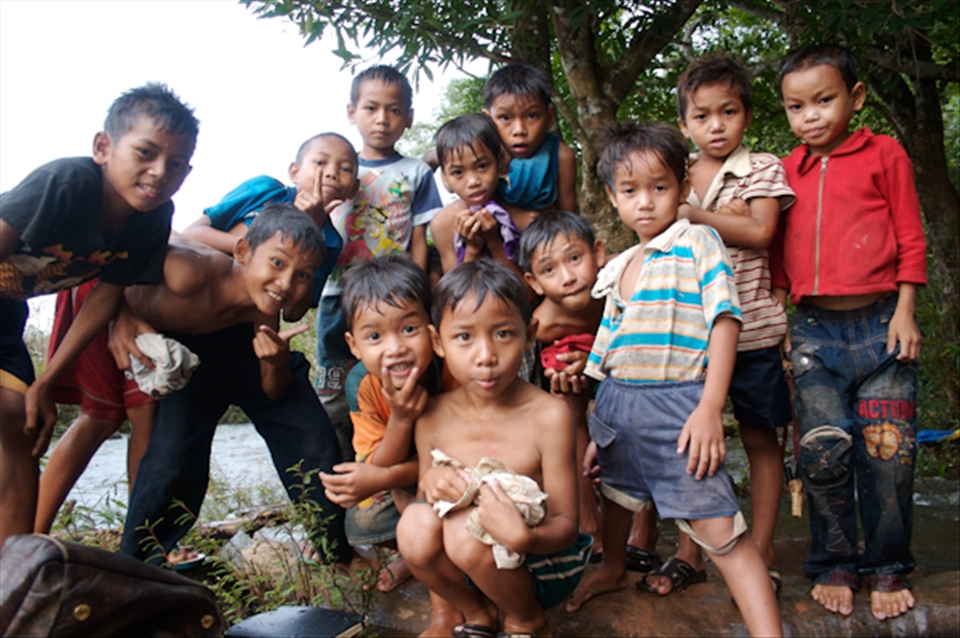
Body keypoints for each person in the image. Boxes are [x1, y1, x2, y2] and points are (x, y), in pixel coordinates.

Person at [564, 123, 781, 637]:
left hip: (679, 405)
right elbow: (608, 348)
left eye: (659, 188)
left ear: (682, 188)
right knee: (618, 496)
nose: (646, 203)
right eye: (630, 191)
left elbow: (724, 320)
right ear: (612, 198)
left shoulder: (699, 241)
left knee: (717, 526)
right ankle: (613, 568)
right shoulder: (619, 265)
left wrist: (709, 408)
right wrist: (598, 425)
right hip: (618, 407)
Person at [0, 83, 198, 547]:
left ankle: (13, 580)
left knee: (20, 424)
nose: (158, 172)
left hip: (9, 313)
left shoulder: (152, 217)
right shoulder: (65, 185)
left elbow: (106, 297)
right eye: (145, 153)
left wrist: (47, 381)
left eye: (175, 165)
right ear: (103, 147)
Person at [774, 44, 926, 621]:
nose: (810, 115)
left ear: (855, 98)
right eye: (796, 106)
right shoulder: (788, 170)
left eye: (823, 100)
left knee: (889, 454)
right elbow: (777, 251)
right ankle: (833, 563)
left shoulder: (884, 154)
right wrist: (784, 316)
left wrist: (906, 310)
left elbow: (911, 235)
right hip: (814, 333)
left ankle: (887, 566)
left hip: (884, 328)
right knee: (823, 455)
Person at [115, 205, 353, 567]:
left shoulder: (264, 311)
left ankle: (337, 553)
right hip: (195, 354)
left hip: (246, 348)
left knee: (314, 440)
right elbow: (125, 257)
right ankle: (136, 565)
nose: (286, 283)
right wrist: (121, 318)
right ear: (242, 252)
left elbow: (274, 393)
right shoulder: (187, 269)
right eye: (277, 263)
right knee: (173, 461)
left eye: (302, 275)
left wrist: (274, 360)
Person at [639, 53, 796, 597]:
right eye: (702, 116)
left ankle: (765, 548)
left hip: (752, 332)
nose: (716, 125)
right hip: (687, 340)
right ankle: (692, 553)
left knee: (759, 439)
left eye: (727, 112)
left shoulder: (762, 168)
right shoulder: (676, 174)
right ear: (684, 124)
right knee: (693, 446)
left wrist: (692, 213)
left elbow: (760, 232)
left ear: (747, 116)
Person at [398, 259, 591, 638]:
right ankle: (479, 613)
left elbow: (568, 527)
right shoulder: (432, 416)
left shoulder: (549, 415)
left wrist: (525, 538)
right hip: (471, 562)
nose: (485, 355)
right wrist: (434, 479)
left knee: (463, 533)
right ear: (438, 342)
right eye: (464, 337)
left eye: (503, 334)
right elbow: (427, 501)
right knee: (414, 527)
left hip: (543, 560)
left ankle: (528, 619)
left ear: (529, 333)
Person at [319, 255, 462, 635]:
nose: (395, 348)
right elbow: (378, 463)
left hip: (463, 473)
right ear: (353, 345)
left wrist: (380, 478)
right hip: (408, 481)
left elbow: (470, 456)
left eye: (409, 328)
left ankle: (445, 609)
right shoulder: (362, 384)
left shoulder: (453, 368)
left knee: (405, 489)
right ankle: (416, 556)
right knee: (362, 521)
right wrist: (400, 419)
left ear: (433, 331)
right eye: (375, 336)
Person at [317, 65, 444, 463]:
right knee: (333, 387)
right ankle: (349, 462)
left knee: (394, 372)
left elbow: (420, 237)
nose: (382, 119)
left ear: (408, 118)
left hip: (394, 294)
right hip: (339, 293)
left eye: (393, 110)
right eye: (371, 108)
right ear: (351, 112)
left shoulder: (416, 172)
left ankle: (405, 456)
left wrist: (419, 290)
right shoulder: (338, 169)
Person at [34, 279, 157, 535]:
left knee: (115, 414)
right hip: (104, 283)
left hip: (122, 283)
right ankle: (145, 538)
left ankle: (143, 537)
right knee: (120, 413)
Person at [518, 210, 606, 554]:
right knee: (567, 418)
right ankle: (589, 523)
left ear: (597, 255)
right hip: (565, 370)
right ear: (535, 283)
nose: (568, 277)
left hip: (624, 365)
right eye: (549, 269)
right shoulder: (541, 324)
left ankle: (642, 528)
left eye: (575, 258)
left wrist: (595, 362)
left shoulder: (617, 288)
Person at [429, 113, 528, 278]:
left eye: (482, 166)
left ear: (500, 162)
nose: (473, 181)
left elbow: (529, 295)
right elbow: (454, 296)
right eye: (458, 172)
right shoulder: (443, 224)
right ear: (445, 176)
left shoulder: (523, 217)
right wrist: (473, 249)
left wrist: (494, 241)